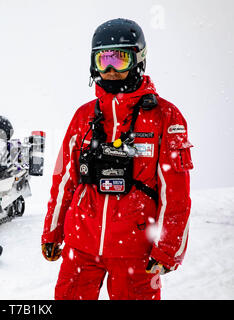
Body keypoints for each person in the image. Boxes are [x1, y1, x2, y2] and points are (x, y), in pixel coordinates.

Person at [41, 18, 193, 300]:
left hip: (135, 251)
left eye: (119, 59)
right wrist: (52, 231)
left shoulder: (164, 117)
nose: (110, 69)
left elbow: (175, 192)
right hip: (81, 245)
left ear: (139, 59)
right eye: (103, 60)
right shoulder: (83, 116)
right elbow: (64, 178)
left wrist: (167, 249)